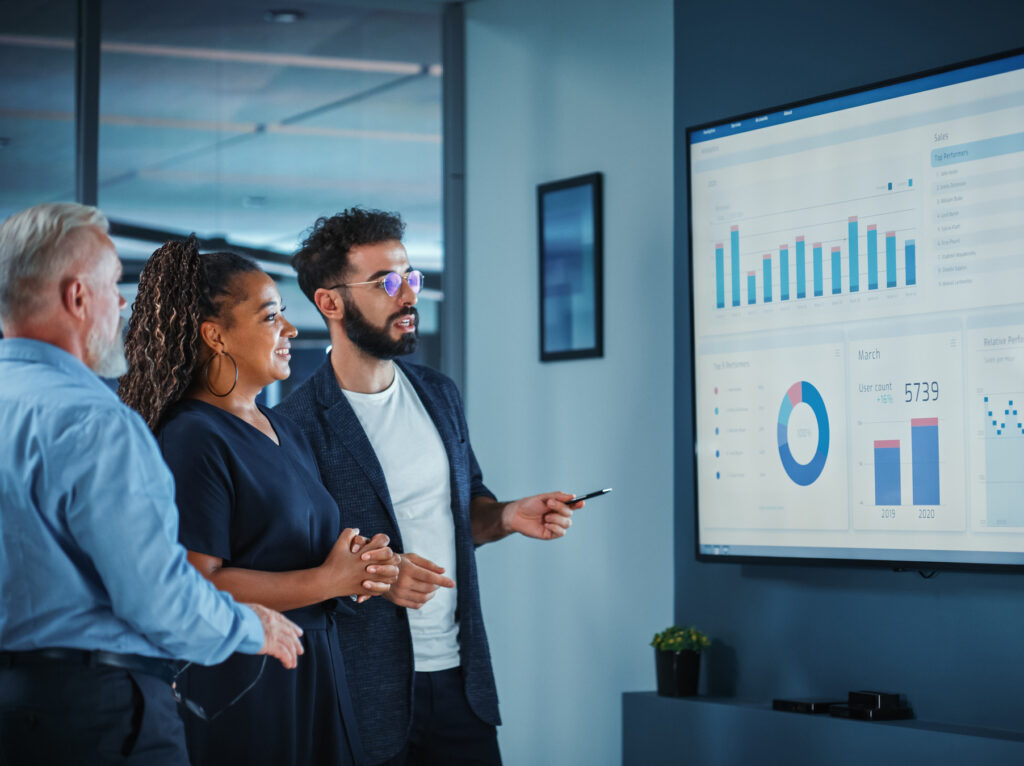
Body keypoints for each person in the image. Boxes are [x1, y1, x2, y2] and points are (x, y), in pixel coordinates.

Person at [0, 203, 305, 766]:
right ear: (77, 297)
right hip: (95, 717)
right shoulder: (94, 421)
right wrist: (250, 626)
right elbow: (157, 597)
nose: (120, 305)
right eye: (113, 285)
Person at [276, 207, 583, 765]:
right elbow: (296, 567)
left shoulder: (439, 394)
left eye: (411, 277)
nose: (408, 295)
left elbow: (466, 511)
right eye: (386, 282)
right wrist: (380, 579)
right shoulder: (296, 425)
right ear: (330, 302)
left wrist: (509, 515)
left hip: (462, 684)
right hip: (364, 694)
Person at [119, 235, 400, 766]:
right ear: (216, 336)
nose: (291, 329)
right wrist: (326, 580)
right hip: (247, 684)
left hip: (313, 669)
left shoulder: (281, 428)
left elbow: (291, 549)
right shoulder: (192, 438)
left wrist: (359, 569)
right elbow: (197, 583)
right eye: (271, 317)